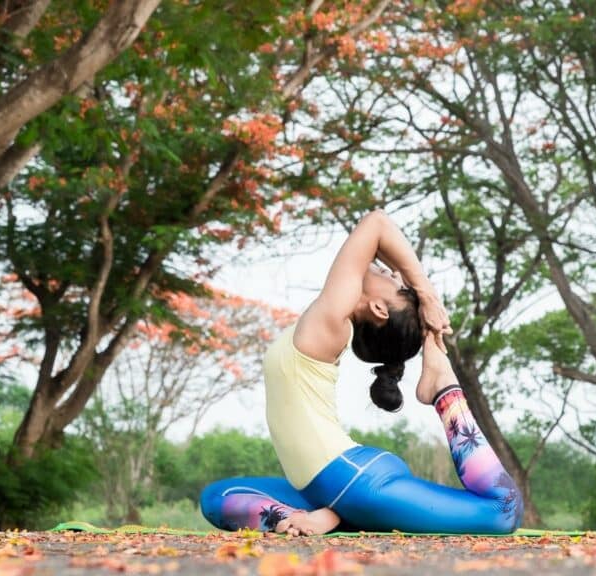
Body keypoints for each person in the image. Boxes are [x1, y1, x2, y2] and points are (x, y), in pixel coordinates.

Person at [200, 210, 522, 535]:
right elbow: (376, 241)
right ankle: (331, 515)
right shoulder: (327, 322)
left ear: (379, 308)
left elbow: (377, 224)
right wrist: (413, 296)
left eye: (393, 280)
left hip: (357, 479)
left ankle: (443, 387)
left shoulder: (327, 325)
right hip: (324, 486)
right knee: (217, 497)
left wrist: (426, 296)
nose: (389, 269)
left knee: (502, 510)